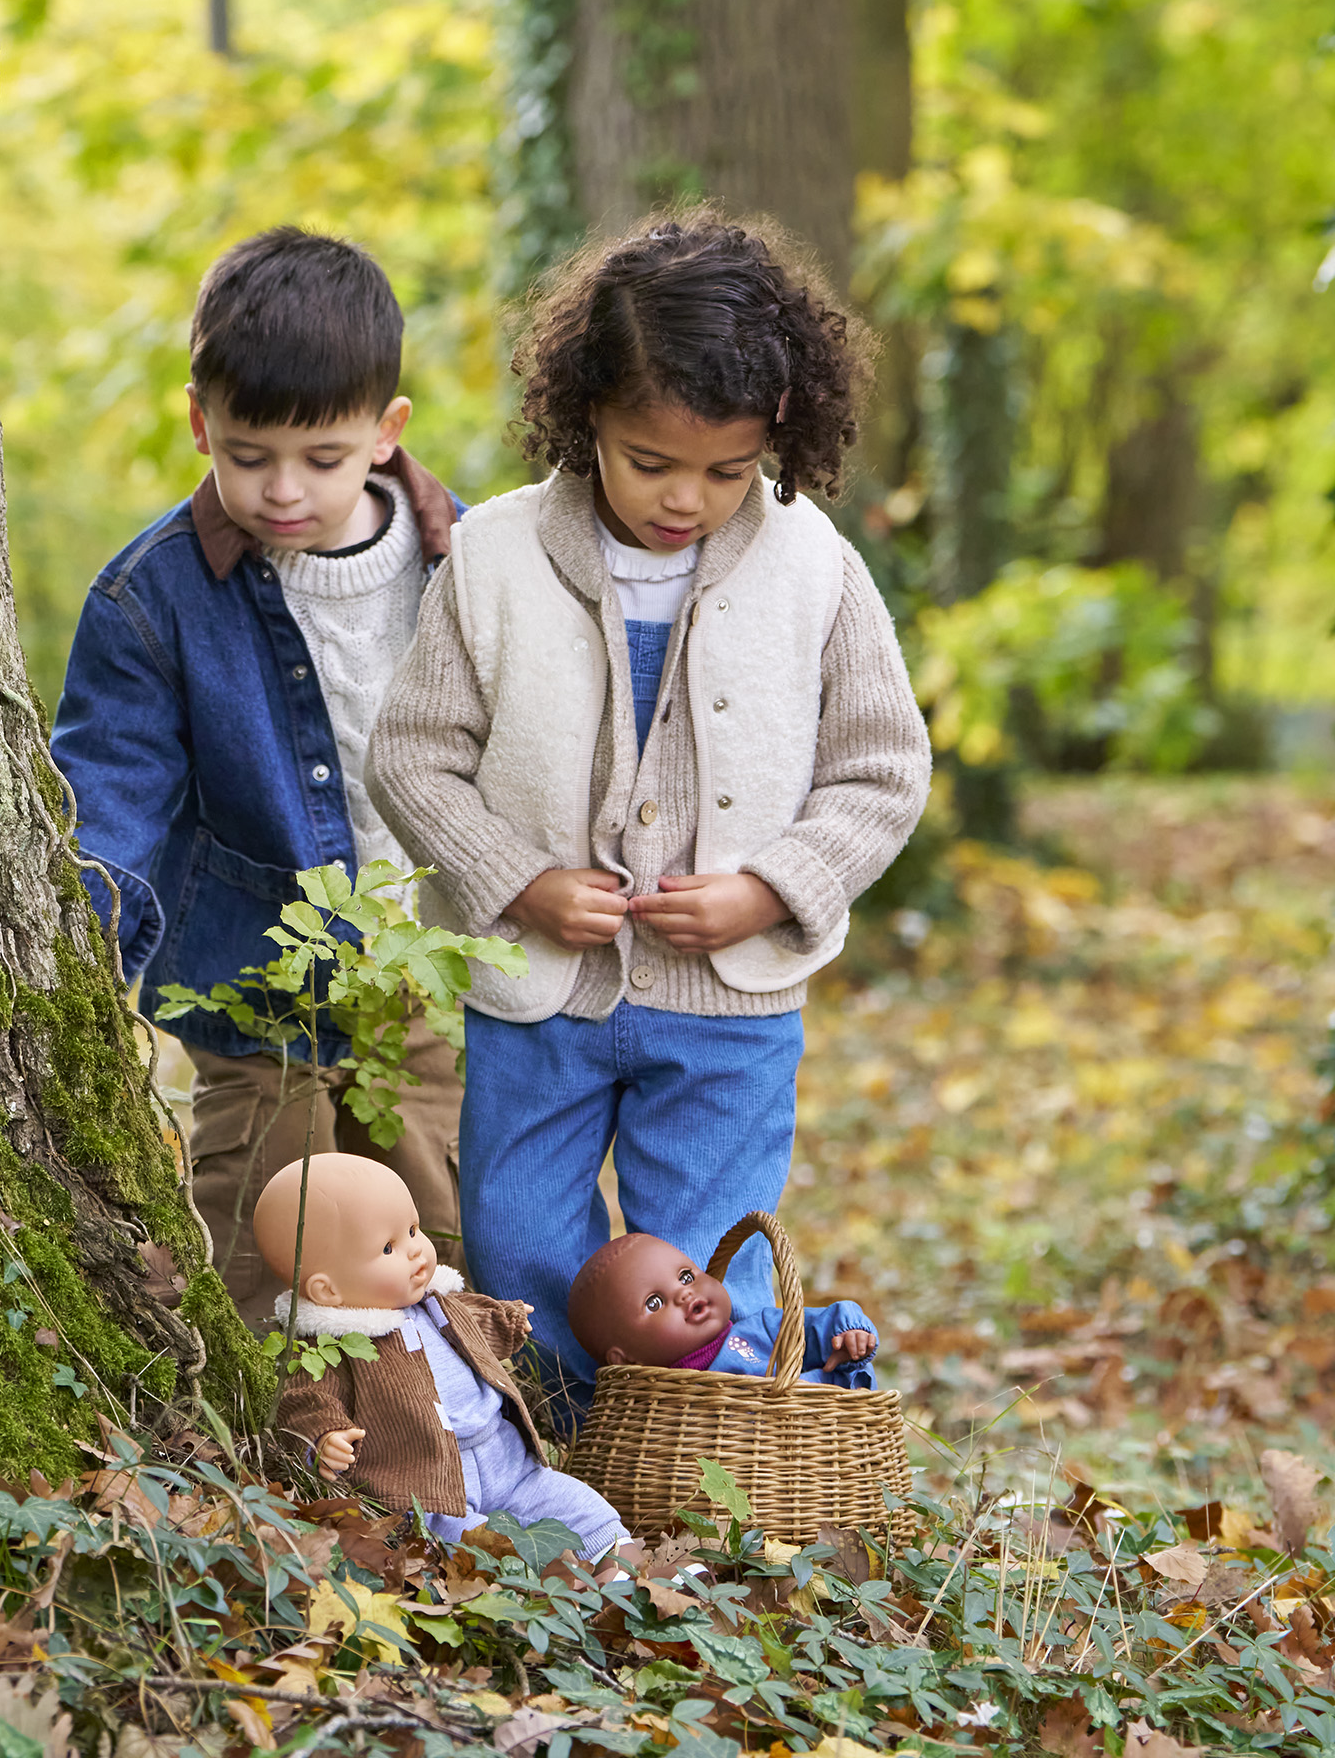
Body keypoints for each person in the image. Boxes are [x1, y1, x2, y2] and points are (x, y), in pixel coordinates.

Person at [364, 210, 930, 1422]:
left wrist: (768, 886)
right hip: (536, 993)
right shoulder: (494, 555)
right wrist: (513, 875)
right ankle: (562, 1449)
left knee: (702, 1267)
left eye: (727, 471)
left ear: (782, 435)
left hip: (728, 1006)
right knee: (518, 1243)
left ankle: (708, 1456)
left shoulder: (813, 567)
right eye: (649, 461)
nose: (687, 498)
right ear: (585, 421)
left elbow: (881, 769)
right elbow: (411, 754)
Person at [50, 228, 466, 1328]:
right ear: (199, 422)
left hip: (421, 964)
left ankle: (460, 1440)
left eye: (321, 459)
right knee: (262, 1235)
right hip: (252, 981)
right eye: (245, 455)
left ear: (384, 432)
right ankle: (281, 1454)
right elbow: (112, 794)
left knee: (439, 1224)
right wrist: (80, 953)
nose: (282, 490)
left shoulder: (469, 561)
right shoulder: (151, 597)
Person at [256, 1152, 630, 1558]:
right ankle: (537, 1584)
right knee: (474, 1546)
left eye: (414, 1230)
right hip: (430, 1484)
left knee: (576, 1503)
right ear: (328, 1292)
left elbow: (473, 1328)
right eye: (388, 1248)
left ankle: (619, 1557)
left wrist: (505, 1321)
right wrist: (324, 1438)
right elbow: (306, 1399)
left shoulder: (436, 1303)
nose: (417, 1251)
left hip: (507, 1460)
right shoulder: (333, 1344)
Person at [567, 1232, 878, 1388]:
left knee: (843, 1374)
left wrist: (847, 1332)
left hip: (810, 1435)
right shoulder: (653, 1404)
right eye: (654, 1303)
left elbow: (812, 1328)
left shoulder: (762, 1330)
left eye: (686, 1276)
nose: (684, 1293)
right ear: (627, 1360)